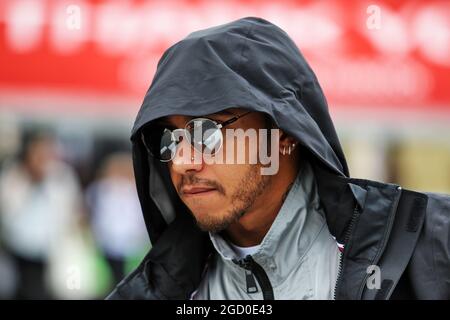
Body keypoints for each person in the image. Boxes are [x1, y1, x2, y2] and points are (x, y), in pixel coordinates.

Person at [107, 17, 450, 300]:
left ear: (282, 132)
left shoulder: (433, 247)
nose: (182, 162)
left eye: (204, 132)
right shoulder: (155, 293)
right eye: (168, 138)